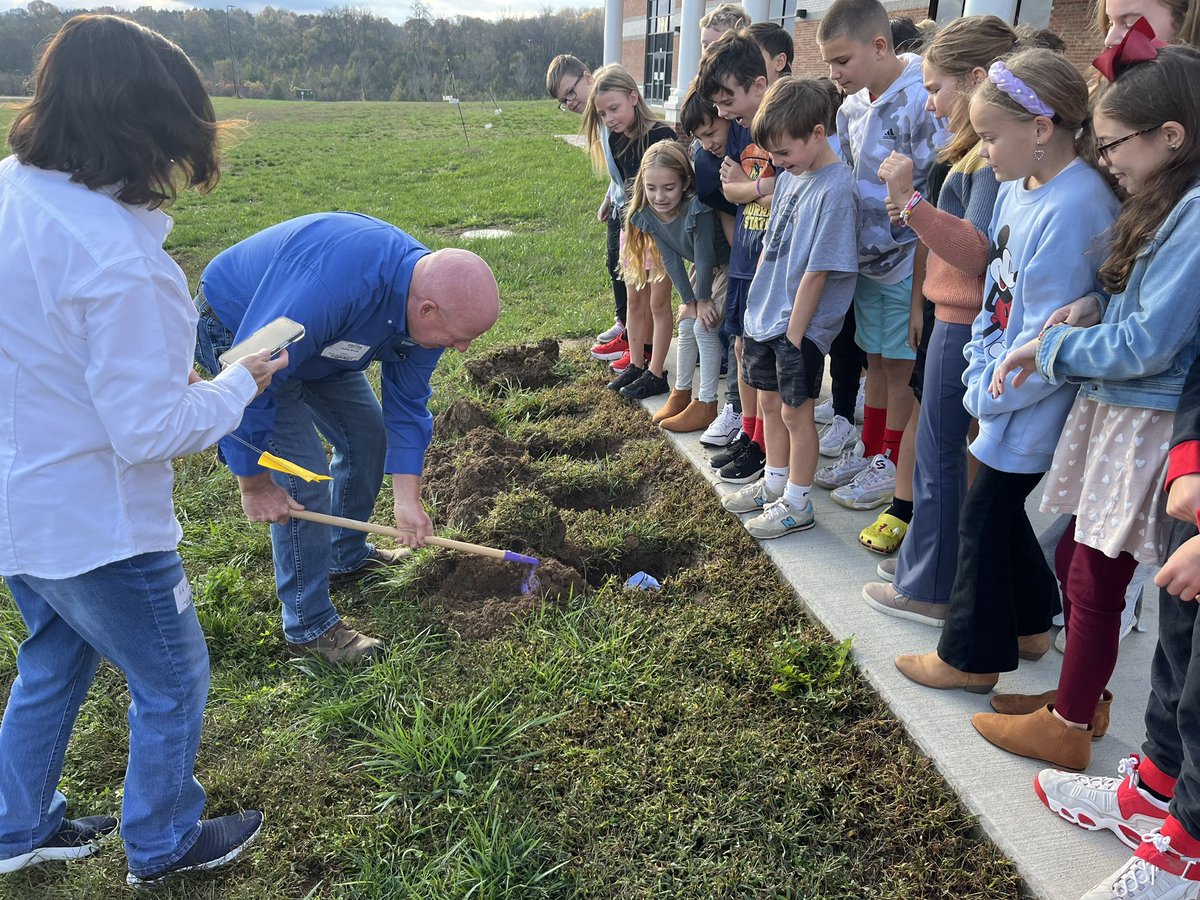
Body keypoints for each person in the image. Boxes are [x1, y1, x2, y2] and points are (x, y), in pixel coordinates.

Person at [0, 14, 285, 884]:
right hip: (100, 524)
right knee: (172, 677)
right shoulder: (122, 264)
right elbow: (151, 428)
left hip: (19, 502)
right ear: (138, 131)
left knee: (54, 655)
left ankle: (17, 827)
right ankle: (161, 841)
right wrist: (242, 383)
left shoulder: (11, 190)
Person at [970, 44, 1200, 774]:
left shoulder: (1193, 213)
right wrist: (1090, 303)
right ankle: (1082, 699)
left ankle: (1069, 723)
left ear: (1172, 135)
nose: (1109, 161)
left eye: (1115, 145)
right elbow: (1134, 303)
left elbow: (1150, 344)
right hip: (1120, 411)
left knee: (1095, 574)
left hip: (1146, 415)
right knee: (1078, 557)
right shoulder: (1166, 202)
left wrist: (1052, 351)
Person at [893, 49, 1121, 697]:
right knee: (997, 510)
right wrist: (979, 370)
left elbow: (1045, 335)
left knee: (983, 515)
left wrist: (991, 397)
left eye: (992, 136)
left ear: (1042, 128)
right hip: (999, 388)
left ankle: (969, 657)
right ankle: (1027, 624)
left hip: (1030, 401)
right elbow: (1001, 296)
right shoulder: (1026, 191)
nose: (983, 150)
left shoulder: (1076, 207)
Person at [193, 213, 500, 665]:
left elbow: (408, 406)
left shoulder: (421, 302)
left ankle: (345, 556)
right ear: (427, 309)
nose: (462, 350)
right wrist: (254, 483)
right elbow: (250, 379)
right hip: (243, 330)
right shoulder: (335, 288)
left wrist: (407, 499)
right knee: (305, 478)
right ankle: (309, 628)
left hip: (322, 348)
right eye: (458, 338)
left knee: (366, 439)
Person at [861, 16, 1013, 612]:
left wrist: (910, 200)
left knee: (940, 456)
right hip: (950, 312)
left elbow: (975, 250)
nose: (928, 101)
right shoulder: (972, 150)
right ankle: (937, 567)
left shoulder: (982, 159)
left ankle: (928, 586)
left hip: (963, 314)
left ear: (976, 79)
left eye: (934, 86)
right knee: (940, 451)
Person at [720, 77, 861, 539]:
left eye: (783, 153)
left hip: (797, 327)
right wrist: (754, 312)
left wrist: (796, 338)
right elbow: (770, 249)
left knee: (797, 414)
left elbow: (819, 271)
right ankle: (774, 483)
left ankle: (798, 503)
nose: (776, 164)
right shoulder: (791, 178)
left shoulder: (836, 188)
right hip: (766, 314)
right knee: (769, 403)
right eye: (772, 155)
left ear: (818, 134)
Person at [815, 0, 941, 511]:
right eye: (828, 63)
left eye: (842, 60)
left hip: (907, 261)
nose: (834, 73)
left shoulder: (919, 100)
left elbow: (933, 191)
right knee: (874, 358)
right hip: (867, 260)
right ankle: (870, 450)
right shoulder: (847, 110)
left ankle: (891, 462)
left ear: (880, 46)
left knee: (898, 365)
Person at [696, 30, 785, 485]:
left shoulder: (780, 126)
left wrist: (755, 189)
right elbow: (731, 189)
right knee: (741, 347)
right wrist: (758, 189)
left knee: (766, 365)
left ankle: (768, 446)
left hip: (777, 265)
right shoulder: (739, 131)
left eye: (727, 100)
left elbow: (788, 195)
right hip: (746, 258)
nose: (722, 112)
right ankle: (750, 435)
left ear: (758, 84)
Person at [581, 64, 679, 400]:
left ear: (634, 98)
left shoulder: (661, 136)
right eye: (602, 113)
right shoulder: (614, 136)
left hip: (661, 233)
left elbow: (676, 188)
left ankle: (656, 371)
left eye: (614, 109)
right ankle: (636, 364)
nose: (609, 119)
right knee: (634, 301)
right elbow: (625, 186)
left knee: (658, 303)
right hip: (632, 229)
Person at [625, 140, 730, 432]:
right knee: (686, 324)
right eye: (651, 188)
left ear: (685, 182)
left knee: (704, 325)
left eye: (668, 188)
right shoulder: (648, 214)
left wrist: (703, 299)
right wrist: (688, 300)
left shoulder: (697, 209)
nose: (659, 196)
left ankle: (706, 402)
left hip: (727, 267)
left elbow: (706, 255)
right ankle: (681, 393)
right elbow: (671, 258)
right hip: (703, 269)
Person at [545, 55, 630, 364]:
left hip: (634, 207)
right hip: (619, 200)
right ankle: (624, 324)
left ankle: (634, 337)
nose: (569, 102)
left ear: (586, 77)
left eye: (570, 92)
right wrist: (609, 197)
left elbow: (632, 166)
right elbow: (616, 170)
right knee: (614, 264)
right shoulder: (600, 117)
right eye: (562, 100)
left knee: (630, 273)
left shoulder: (613, 114)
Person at [680, 82, 743, 446]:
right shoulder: (707, 162)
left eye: (711, 133)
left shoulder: (748, 143)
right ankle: (712, 402)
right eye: (700, 138)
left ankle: (731, 407)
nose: (708, 144)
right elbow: (726, 219)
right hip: (734, 256)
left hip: (766, 253)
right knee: (705, 324)